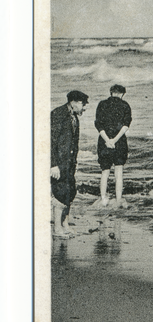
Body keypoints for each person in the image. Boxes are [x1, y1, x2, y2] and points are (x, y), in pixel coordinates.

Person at [50, 90, 88, 237]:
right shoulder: (58, 114)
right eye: (83, 105)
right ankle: (57, 228)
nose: (84, 108)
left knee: (70, 191)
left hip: (69, 162)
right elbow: (50, 141)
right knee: (60, 192)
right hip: (58, 162)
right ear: (74, 102)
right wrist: (53, 165)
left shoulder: (74, 117)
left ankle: (65, 223)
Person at [94, 84, 132, 207]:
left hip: (104, 142)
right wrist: (114, 140)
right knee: (119, 171)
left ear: (111, 92)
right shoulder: (125, 105)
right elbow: (126, 126)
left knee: (105, 170)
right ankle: (118, 198)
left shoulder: (102, 104)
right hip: (119, 141)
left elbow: (98, 125)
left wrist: (108, 140)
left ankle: (103, 198)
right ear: (122, 94)